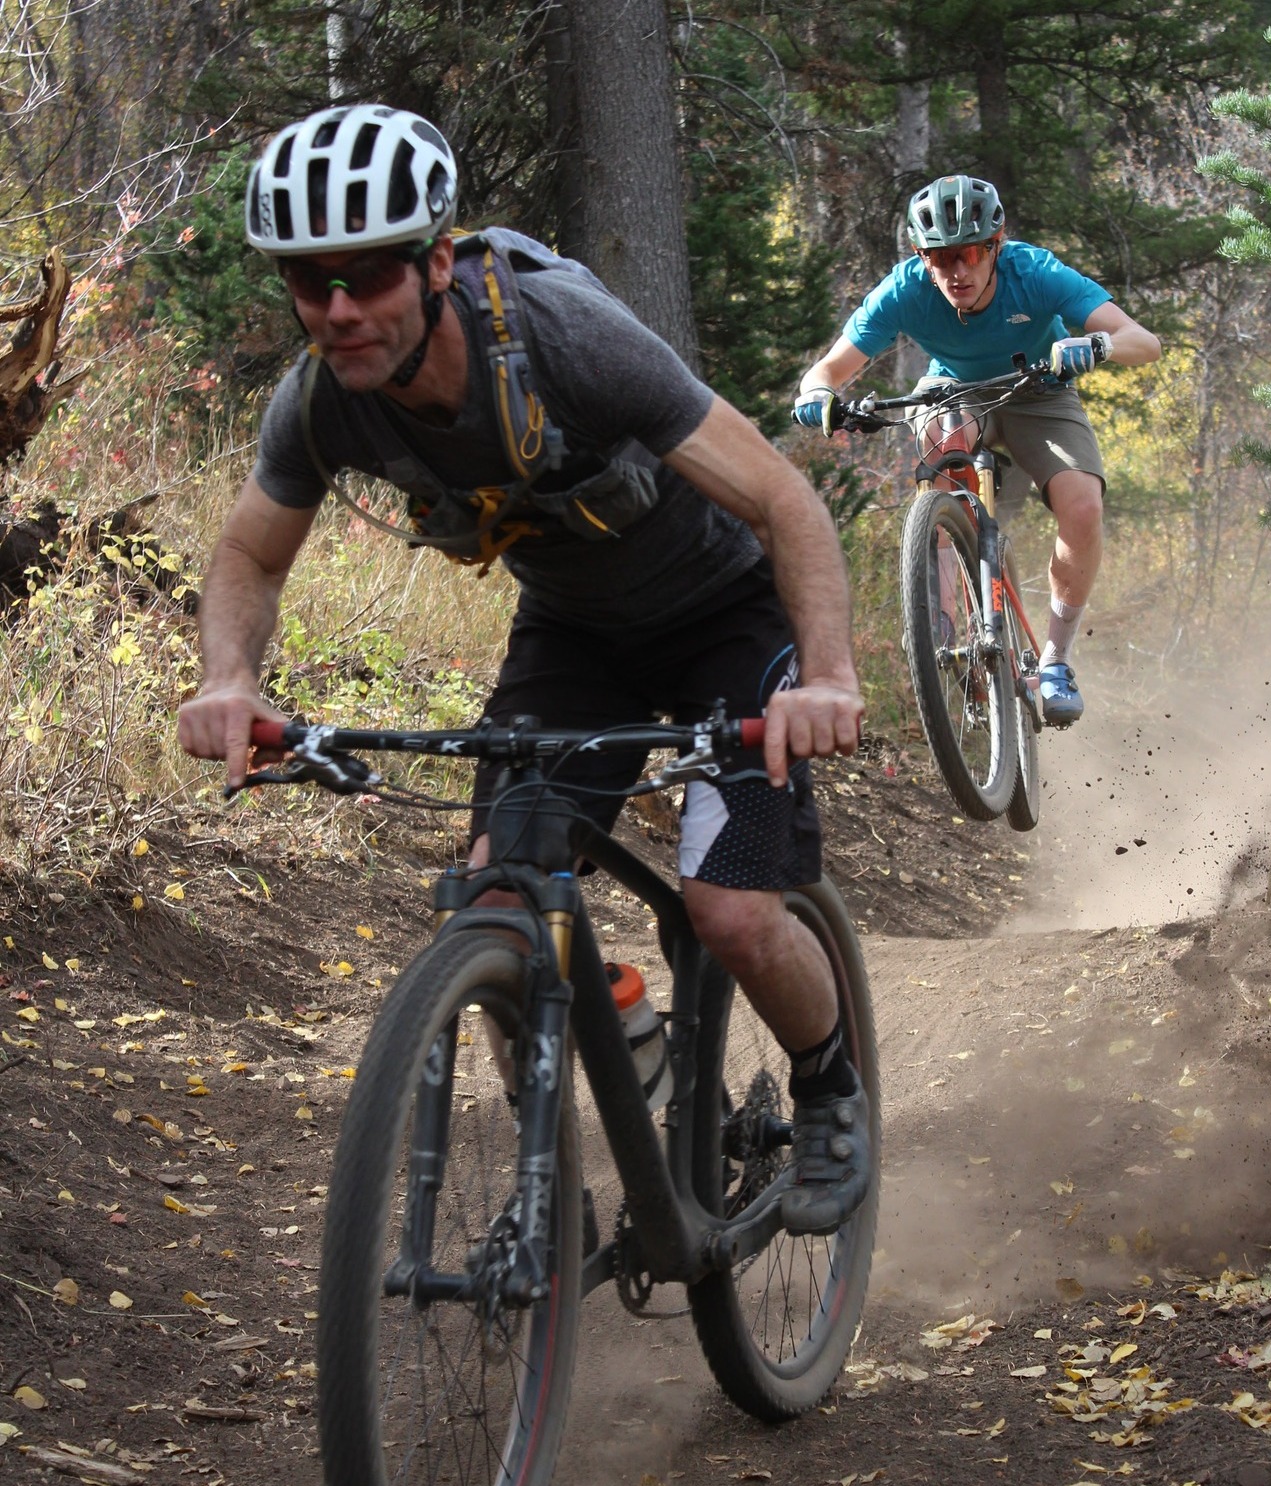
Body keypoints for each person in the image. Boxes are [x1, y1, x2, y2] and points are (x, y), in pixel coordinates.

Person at [176, 103, 870, 1236]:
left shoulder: (563, 342)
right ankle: (588, 1133)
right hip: (579, 634)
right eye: (311, 284)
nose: (341, 309)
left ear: (435, 262)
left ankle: (831, 1087)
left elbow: (785, 500)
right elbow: (251, 551)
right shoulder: (319, 402)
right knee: (497, 901)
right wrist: (229, 678)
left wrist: (828, 675)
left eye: (369, 275)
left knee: (732, 910)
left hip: (726, 619)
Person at [793, 172, 1162, 726]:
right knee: (943, 442)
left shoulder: (1033, 272)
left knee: (1082, 505)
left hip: (1040, 391)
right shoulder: (905, 288)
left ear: (996, 244)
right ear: (922, 256)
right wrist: (818, 396)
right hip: (954, 392)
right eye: (940, 259)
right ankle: (942, 618)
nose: (956, 272)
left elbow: (1145, 342)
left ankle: (1057, 661)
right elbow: (828, 369)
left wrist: (1095, 344)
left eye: (968, 254)